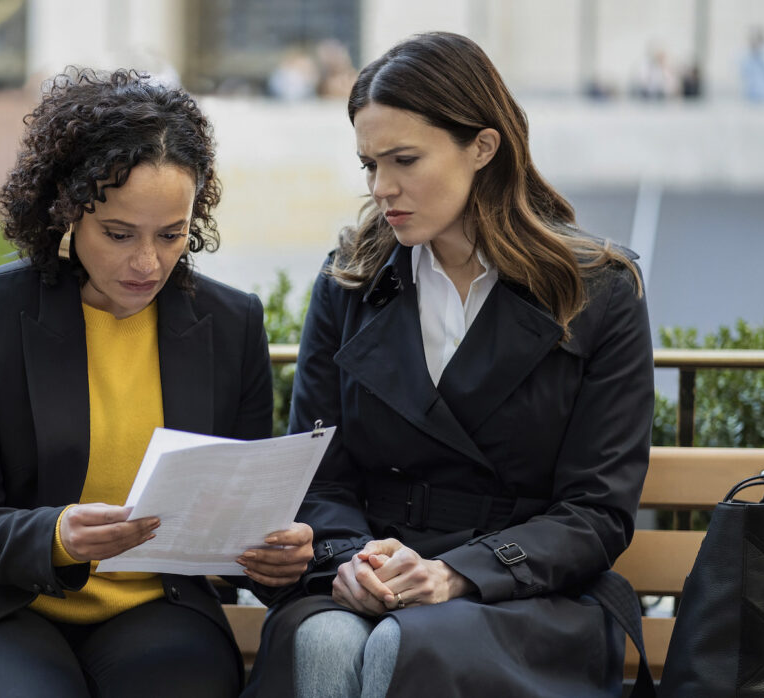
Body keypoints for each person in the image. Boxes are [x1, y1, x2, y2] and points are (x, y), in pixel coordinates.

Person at [0, 68, 314, 698]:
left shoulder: (231, 324)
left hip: (157, 608)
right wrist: (56, 536)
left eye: (172, 235)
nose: (147, 263)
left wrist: (276, 560)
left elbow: (237, 520)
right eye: (118, 234)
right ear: (67, 210)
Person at [244, 32, 653, 697]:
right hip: (372, 574)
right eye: (369, 165)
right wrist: (348, 561)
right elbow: (318, 476)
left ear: (483, 147)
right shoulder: (350, 280)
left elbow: (596, 512)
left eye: (404, 159)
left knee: (409, 648)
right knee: (324, 637)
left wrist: (459, 572)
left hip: (524, 594)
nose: (382, 188)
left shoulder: (598, 289)